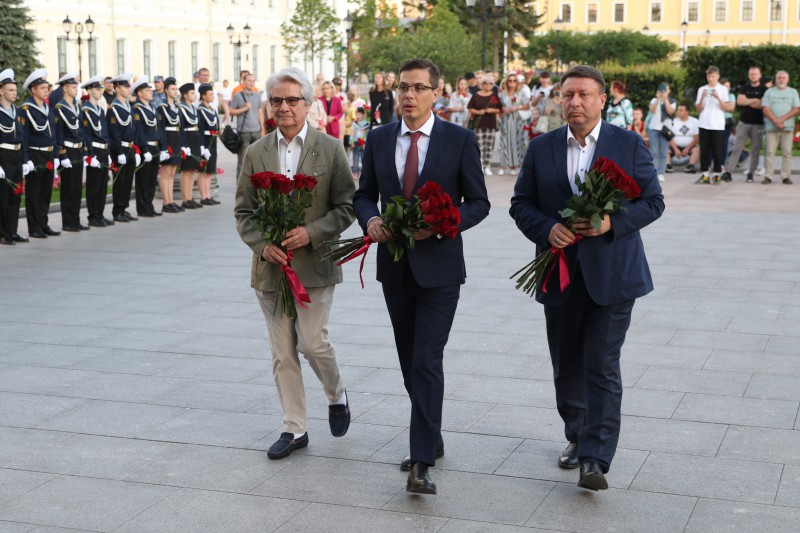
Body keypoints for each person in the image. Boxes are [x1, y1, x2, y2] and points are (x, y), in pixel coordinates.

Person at [509, 65, 665, 492]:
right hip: (558, 272)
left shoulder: (627, 144)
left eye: (583, 95)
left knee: (602, 364)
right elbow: (521, 204)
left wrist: (610, 223)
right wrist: (546, 229)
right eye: (567, 95)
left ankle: (595, 458)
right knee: (567, 365)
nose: (574, 102)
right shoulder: (540, 148)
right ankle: (577, 433)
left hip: (613, 275)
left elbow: (653, 202)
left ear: (602, 100)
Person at [353, 58, 490, 495]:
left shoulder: (459, 139)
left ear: (436, 93)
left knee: (427, 358)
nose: (408, 95)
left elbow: (479, 202)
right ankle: (430, 430)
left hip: (441, 268)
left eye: (417, 88)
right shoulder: (377, 139)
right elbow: (363, 195)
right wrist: (370, 220)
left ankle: (421, 462)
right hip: (394, 266)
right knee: (409, 359)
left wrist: (445, 224)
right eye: (402, 88)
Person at [234, 67, 356, 461]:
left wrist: (312, 232)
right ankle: (294, 427)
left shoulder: (330, 148)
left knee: (312, 343)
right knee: (283, 352)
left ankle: (336, 394)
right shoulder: (256, 153)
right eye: (276, 101)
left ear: (308, 104)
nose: (283, 107)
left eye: (292, 100)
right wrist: (263, 243)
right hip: (270, 269)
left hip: (315, 265)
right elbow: (244, 212)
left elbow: (347, 207)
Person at [20, 69, 61, 239]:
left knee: (45, 192)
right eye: (42, 88)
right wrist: (26, 159)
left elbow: (53, 135)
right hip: (35, 155)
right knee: (34, 193)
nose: (46, 90)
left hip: (49, 155)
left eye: (47, 87)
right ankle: (34, 227)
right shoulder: (26, 109)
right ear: (33, 89)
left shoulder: (47, 108)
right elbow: (24, 137)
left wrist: (57, 155)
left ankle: (43, 224)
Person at [51, 72, 88, 232]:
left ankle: (76, 219)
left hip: (78, 149)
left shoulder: (77, 106)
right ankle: (68, 222)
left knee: (77, 188)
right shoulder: (59, 108)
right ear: (65, 89)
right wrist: (62, 154)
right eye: (74, 87)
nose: (76, 90)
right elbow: (58, 133)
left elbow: (81, 130)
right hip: (68, 151)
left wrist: (85, 149)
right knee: (68, 188)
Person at [722, 67, 767, 183]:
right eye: (751, 74)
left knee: (755, 150)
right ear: (748, 75)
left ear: (760, 75)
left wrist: (748, 100)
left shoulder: (765, 89)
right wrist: (755, 100)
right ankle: (728, 172)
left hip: (758, 124)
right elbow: (740, 102)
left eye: (755, 74)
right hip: (743, 123)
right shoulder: (744, 88)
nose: (753, 76)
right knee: (737, 148)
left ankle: (751, 173)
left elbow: (761, 105)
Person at [81, 75, 115, 227]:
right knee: (93, 186)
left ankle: (100, 214)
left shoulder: (100, 111)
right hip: (94, 151)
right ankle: (93, 215)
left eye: (100, 88)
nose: (100, 91)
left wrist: (107, 153)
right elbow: (86, 135)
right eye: (96, 89)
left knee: (102, 185)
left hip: (103, 150)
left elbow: (105, 133)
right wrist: (90, 155)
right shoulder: (85, 110)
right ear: (89, 91)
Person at [0, 68, 28, 244]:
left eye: (15, 90)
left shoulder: (17, 112)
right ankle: (3, 233)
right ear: (1, 91)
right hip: (3, 155)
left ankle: (12, 231)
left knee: (16, 196)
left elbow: (23, 137)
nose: (14, 93)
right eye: (10, 90)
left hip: (16, 156)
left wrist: (25, 159)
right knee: (3, 197)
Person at [107, 73, 139, 222]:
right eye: (125, 87)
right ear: (118, 89)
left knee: (127, 181)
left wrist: (136, 150)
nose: (128, 89)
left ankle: (124, 208)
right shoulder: (114, 108)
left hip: (130, 147)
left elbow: (133, 130)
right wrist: (119, 152)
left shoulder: (128, 106)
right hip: (120, 149)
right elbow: (114, 133)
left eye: (128, 86)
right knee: (120, 181)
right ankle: (117, 210)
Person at [695, 66, 733, 185]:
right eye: (708, 76)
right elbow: (698, 109)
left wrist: (718, 98)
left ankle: (717, 174)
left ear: (718, 76)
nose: (710, 79)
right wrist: (702, 97)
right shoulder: (702, 89)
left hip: (717, 124)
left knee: (717, 150)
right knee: (704, 150)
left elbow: (726, 108)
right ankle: (705, 174)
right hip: (704, 123)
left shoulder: (722, 89)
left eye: (713, 76)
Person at [761, 70, 800, 185]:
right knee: (769, 152)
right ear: (776, 79)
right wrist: (775, 121)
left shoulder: (793, 92)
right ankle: (768, 176)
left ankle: (785, 176)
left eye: (783, 78)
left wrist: (781, 120)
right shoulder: (769, 92)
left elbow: (796, 109)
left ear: (787, 80)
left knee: (787, 153)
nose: (781, 80)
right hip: (771, 128)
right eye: (779, 78)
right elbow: (765, 108)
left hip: (787, 128)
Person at [131, 77, 162, 218]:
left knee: (151, 179)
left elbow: (157, 129)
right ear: (139, 94)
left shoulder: (152, 108)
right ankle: (142, 207)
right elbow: (139, 132)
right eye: (147, 90)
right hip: (146, 148)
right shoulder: (137, 109)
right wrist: (144, 150)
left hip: (154, 147)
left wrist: (162, 147)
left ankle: (149, 205)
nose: (151, 92)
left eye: (150, 90)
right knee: (143, 179)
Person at [467, 75, 502, 176]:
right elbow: (470, 108)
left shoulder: (494, 95)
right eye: (486, 83)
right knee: (480, 146)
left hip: (491, 124)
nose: (488, 85)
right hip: (479, 124)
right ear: (482, 84)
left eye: (491, 83)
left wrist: (492, 110)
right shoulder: (476, 95)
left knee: (489, 146)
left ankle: (487, 166)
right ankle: (480, 166)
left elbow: (500, 109)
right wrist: (478, 112)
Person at [157, 77, 183, 213]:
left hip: (176, 140)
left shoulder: (176, 107)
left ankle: (171, 200)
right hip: (168, 140)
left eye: (176, 89)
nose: (175, 91)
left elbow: (180, 126)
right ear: (166, 90)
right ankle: (166, 202)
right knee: (165, 173)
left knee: (172, 173)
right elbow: (161, 128)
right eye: (172, 89)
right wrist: (163, 147)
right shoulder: (162, 108)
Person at [230, 73, 263, 178]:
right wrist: (244, 109)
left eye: (253, 81)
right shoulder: (237, 95)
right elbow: (231, 111)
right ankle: (240, 185)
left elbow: (260, 112)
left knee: (257, 160)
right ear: (244, 82)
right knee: (243, 160)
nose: (251, 83)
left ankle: (254, 184)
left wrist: (262, 129)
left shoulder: (258, 96)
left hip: (256, 131)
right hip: (243, 132)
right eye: (249, 80)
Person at [498, 73, 530, 175]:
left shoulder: (520, 93)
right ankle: (503, 166)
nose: (512, 82)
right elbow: (499, 105)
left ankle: (514, 166)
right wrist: (504, 109)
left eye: (514, 80)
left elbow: (527, 105)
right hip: (506, 121)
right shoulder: (502, 93)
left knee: (517, 142)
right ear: (507, 82)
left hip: (517, 121)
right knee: (504, 142)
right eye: (510, 80)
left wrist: (517, 107)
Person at [178, 82, 202, 209]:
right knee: (186, 170)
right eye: (192, 93)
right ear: (185, 95)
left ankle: (190, 197)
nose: (195, 95)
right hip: (187, 140)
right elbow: (181, 128)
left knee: (192, 170)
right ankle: (185, 198)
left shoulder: (193, 108)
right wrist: (183, 145)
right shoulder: (181, 109)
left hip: (195, 140)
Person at [647, 82, 676, 183]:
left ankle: (661, 173)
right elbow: (652, 110)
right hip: (653, 128)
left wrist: (665, 99)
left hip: (665, 129)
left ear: (669, 91)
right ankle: (653, 173)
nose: (663, 92)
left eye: (665, 90)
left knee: (664, 152)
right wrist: (658, 99)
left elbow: (670, 111)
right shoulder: (654, 100)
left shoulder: (672, 101)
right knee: (654, 152)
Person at [197, 83, 220, 205]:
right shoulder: (200, 110)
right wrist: (202, 146)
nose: (212, 96)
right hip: (205, 141)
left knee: (210, 170)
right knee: (203, 170)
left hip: (213, 140)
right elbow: (200, 129)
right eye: (210, 94)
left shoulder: (212, 110)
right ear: (203, 96)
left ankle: (208, 195)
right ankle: (203, 196)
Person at [667, 103, 700, 172]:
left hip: (690, 146)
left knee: (697, 149)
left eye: (681, 110)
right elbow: (669, 137)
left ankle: (691, 166)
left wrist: (687, 148)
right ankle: (668, 166)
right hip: (675, 146)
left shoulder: (695, 122)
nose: (678, 112)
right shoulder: (673, 121)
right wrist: (676, 149)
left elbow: (697, 137)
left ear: (687, 112)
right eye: (678, 110)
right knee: (666, 150)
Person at [350, 106, 369, 179]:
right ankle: (355, 172)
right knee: (355, 158)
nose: (357, 116)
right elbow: (352, 132)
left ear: (363, 115)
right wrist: (351, 142)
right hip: (356, 143)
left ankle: (365, 173)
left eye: (359, 114)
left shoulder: (367, 124)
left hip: (364, 144)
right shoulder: (354, 123)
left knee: (364, 159)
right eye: (356, 114)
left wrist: (366, 143)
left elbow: (368, 134)